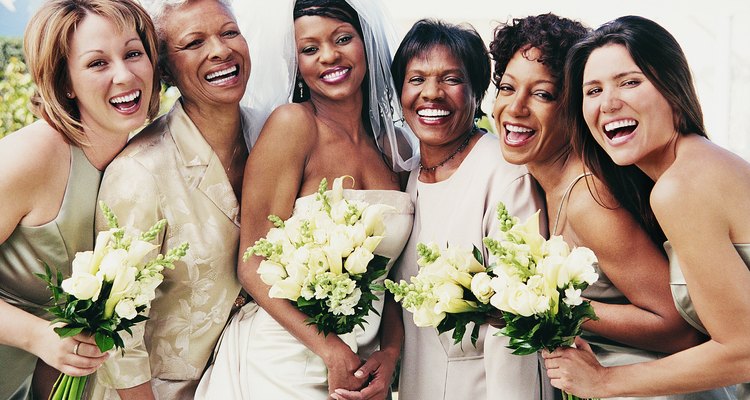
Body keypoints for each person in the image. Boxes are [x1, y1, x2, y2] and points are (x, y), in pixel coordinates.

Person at [491, 13, 736, 400]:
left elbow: (704, 337)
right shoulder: (533, 188)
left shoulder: (611, 195)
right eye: (506, 87)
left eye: (543, 94)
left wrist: (548, 305)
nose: (516, 107)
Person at [195, 0, 418, 399]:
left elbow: (396, 279)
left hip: (360, 364)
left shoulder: (394, 149)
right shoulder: (292, 126)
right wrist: (329, 349)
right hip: (282, 359)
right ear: (295, 62)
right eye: (310, 49)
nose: (330, 56)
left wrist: (391, 353)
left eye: (343, 39)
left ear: (366, 43)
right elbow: (252, 263)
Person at [87, 0, 257, 398]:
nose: (219, 50)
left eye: (229, 32)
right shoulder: (139, 172)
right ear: (164, 70)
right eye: (194, 42)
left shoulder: (271, 135)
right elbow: (116, 331)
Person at [0, 0, 159, 398]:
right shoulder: (33, 157)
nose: (125, 75)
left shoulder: (141, 156)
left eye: (133, 53)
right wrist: (37, 335)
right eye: (97, 63)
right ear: (65, 81)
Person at [389, 19, 546, 400]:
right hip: (418, 384)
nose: (432, 94)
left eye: (451, 79)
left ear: (478, 90)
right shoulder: (408, 174)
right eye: (416, 79)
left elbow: (518, 320)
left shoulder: (504, 173)